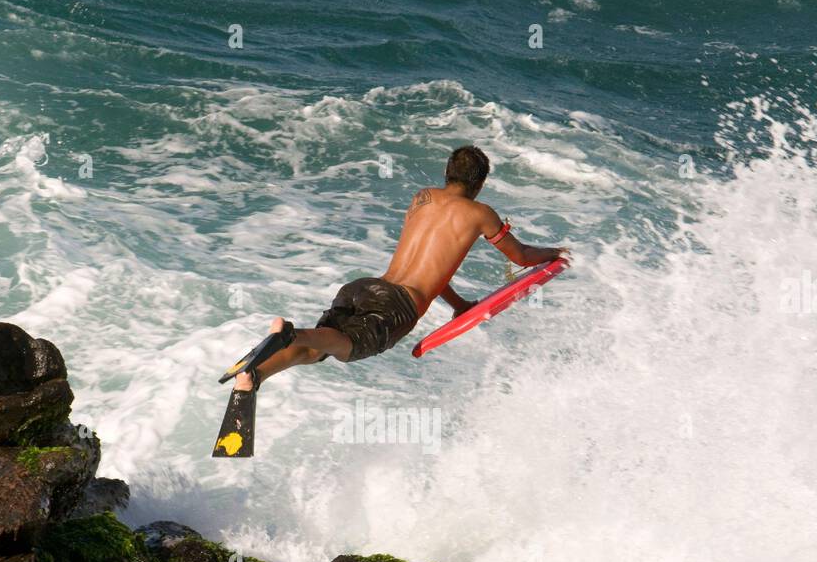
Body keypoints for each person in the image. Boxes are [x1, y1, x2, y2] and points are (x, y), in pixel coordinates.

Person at [219, 145, 570, 392]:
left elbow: (431, 267)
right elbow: (521, 256)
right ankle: (291, 333)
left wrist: (460, 305)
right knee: (346, 345)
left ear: (448, 174)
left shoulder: (422, 198)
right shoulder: (480, 214)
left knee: (319, 351)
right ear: (480, 184)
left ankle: (255, 378)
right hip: (396, 305)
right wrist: (554, 253)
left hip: (364, 287)